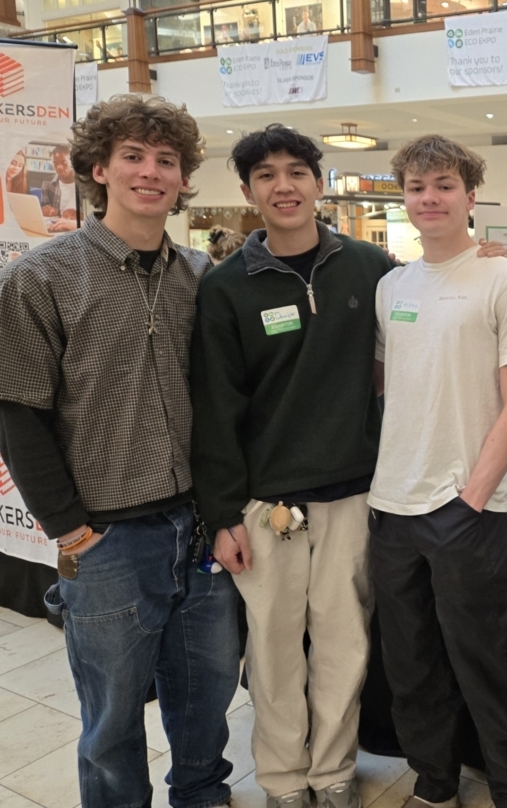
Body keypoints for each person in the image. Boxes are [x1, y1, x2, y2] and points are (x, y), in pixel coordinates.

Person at [190, 126, 507, 808]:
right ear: (247, 191)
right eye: (267, 175)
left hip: (354, 496)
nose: (284, 186)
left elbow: (436, 292)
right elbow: (214, 412)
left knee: (344, 648)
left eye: (297, 171)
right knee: (275, 656)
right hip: (264, 503)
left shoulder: (372, 270)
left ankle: (333, 774)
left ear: (318, 182)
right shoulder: (224, 289)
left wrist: (486, 259)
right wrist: (221, 515)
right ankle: (282, 780)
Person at [0, 95, 240, 808]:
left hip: (200, 530)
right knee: (110, 724)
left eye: (166, 160)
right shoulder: (39, 279)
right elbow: (17, 414)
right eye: (133, 156)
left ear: (182, 178)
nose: (150, 171)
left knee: (206, 706)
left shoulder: (203, 278)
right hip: (107, 540)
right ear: (98, 169)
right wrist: (72, 531)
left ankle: (202, 798)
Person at [370, 135, 507, 808]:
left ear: (470, 196)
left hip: (463, 512)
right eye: (416, 187)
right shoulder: (391, 286)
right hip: (390, 509)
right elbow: (392, 387)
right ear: (405, 199)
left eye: (443, 184)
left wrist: (472, 495)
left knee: (488, 668)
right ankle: (434, 783)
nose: (429, 198)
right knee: (410, 667)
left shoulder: (504, 278)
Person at [40, 143, 77, 221]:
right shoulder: (47, 183)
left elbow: (92, 212)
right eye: (55, 163)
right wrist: (45, 210)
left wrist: (81, 215)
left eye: (63, 163)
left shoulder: (84, 183)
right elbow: (43, 207)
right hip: (56, 225)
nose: (59, 167)